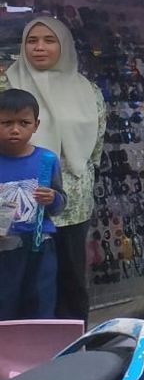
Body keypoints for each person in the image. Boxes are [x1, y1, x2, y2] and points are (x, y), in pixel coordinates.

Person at [3, 17, 105, 322]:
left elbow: (97, 140)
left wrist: (75, 172)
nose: (39, 47)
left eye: (49, 40)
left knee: (72, 277)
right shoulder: (6, 83)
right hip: (16, 203)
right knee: (16, 282)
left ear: (64, 45)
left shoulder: (87, 89)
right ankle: (17, 353)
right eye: (32, 40)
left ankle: (72, 346)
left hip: (71, 197)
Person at [0, 88, 66, 320]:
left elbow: (60, 203)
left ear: (36, 125)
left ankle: (39, 352)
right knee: (5, 303)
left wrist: (53, 199)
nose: (15, 129)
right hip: (4, 248)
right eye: (6, 122)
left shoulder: (47, 160)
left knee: (41, 302)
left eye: (23, 122)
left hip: (40, 244)